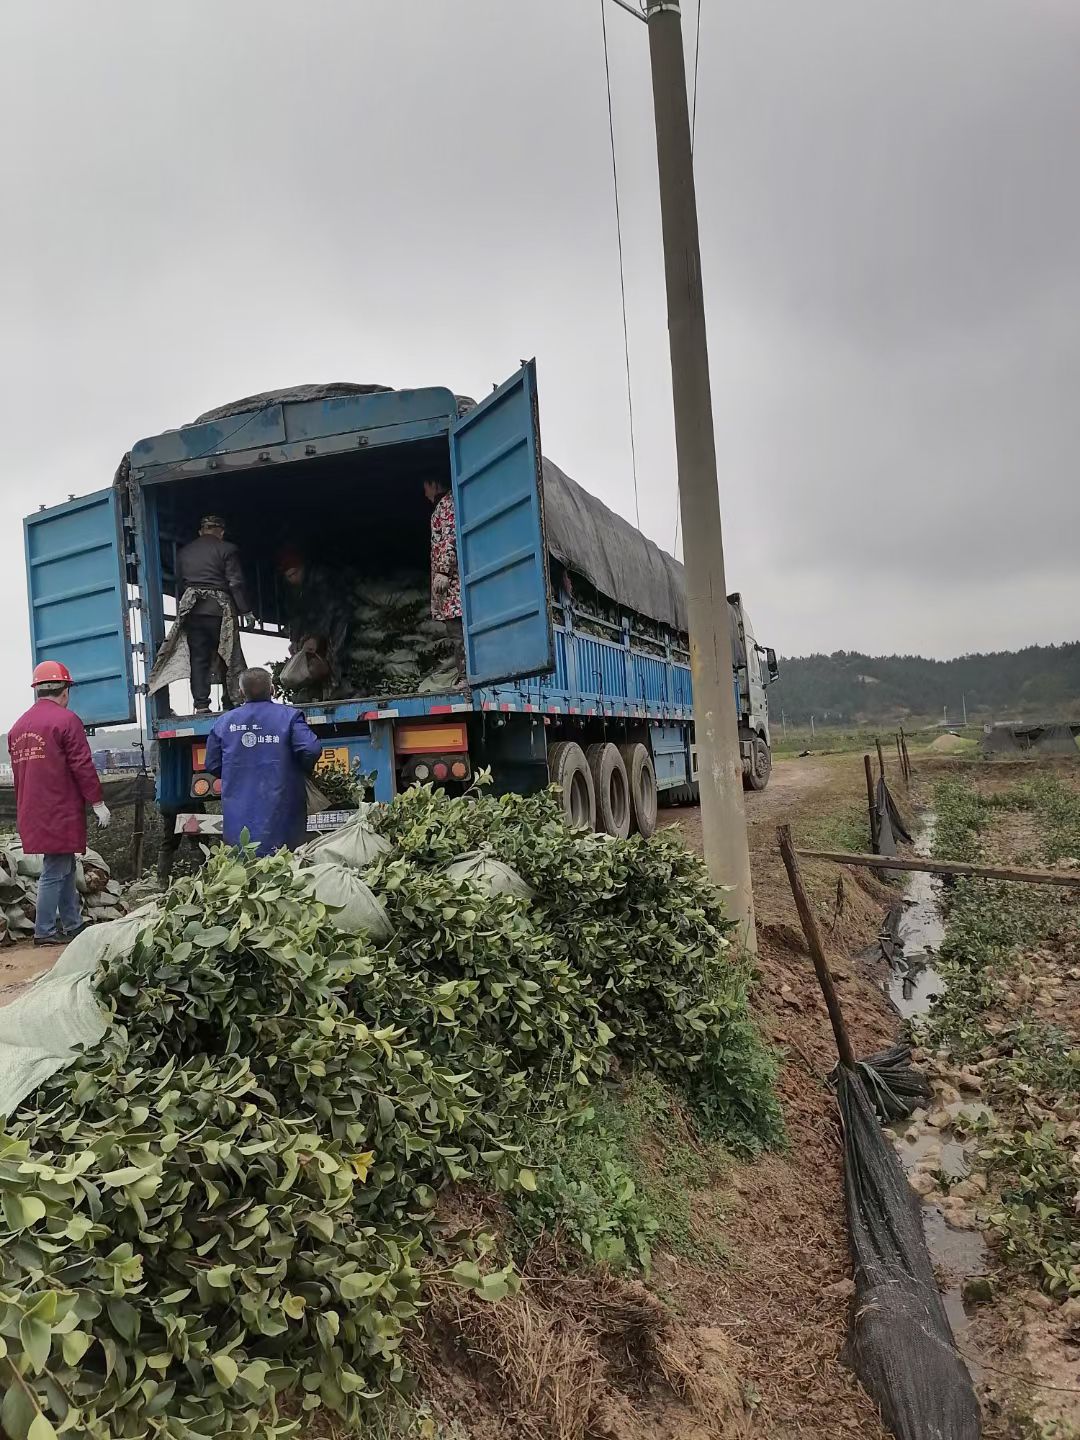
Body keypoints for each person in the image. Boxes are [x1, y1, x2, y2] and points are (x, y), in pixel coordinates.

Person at [8, 661, 111, 947]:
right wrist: (97, 801)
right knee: (54, 869)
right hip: (59, 808)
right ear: (65, 691)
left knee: (65, 866)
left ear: (38, 691)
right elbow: (81, 764)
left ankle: (72, 924)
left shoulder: (18, 727)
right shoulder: (66, 721)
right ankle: (44, 931)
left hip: (33, 808)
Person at [204, 667, 322, 856]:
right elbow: (310, 748)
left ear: (241, 692)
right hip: (284, 805)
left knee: (244, 866)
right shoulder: (290, 717)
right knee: (286, 864)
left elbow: (212, 763)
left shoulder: (223, 723)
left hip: (239, 809)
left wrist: (234, 775)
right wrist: (298, 770)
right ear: (273, 690)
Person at [148, 515, 253, 716]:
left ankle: (201, 704)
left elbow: (179, 582)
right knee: (227, 655)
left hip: (193, 611)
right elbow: (235, 583)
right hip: (219, 611)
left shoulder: (184, 552)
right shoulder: (227, 549)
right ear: (221, 532)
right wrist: (245, 610)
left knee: (199, 659)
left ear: (201, 531)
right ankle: (230, 700)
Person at [277, 547, 349, 701]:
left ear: (302, 569)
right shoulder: (293, 590)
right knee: (311, 661)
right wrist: (295, 639)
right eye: (288, 576)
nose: (292, 579)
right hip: (313, 627)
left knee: (335, 654)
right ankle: (317, 692)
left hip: (335, 622)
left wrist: (317, 636)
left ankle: (337, 688)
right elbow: (296, 616)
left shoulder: (321, 580)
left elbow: (328, 610)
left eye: (294, 574)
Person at [423, 476, 466, 679]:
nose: (425, 494)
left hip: (454, 588)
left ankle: (467, 677)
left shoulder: (447, 505)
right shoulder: (444, 505)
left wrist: (443, 571)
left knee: (458, 635)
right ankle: (465, 675)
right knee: (456, 634)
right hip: (451, 588)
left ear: (434, 484)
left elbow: (450, 537)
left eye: (426, 488)